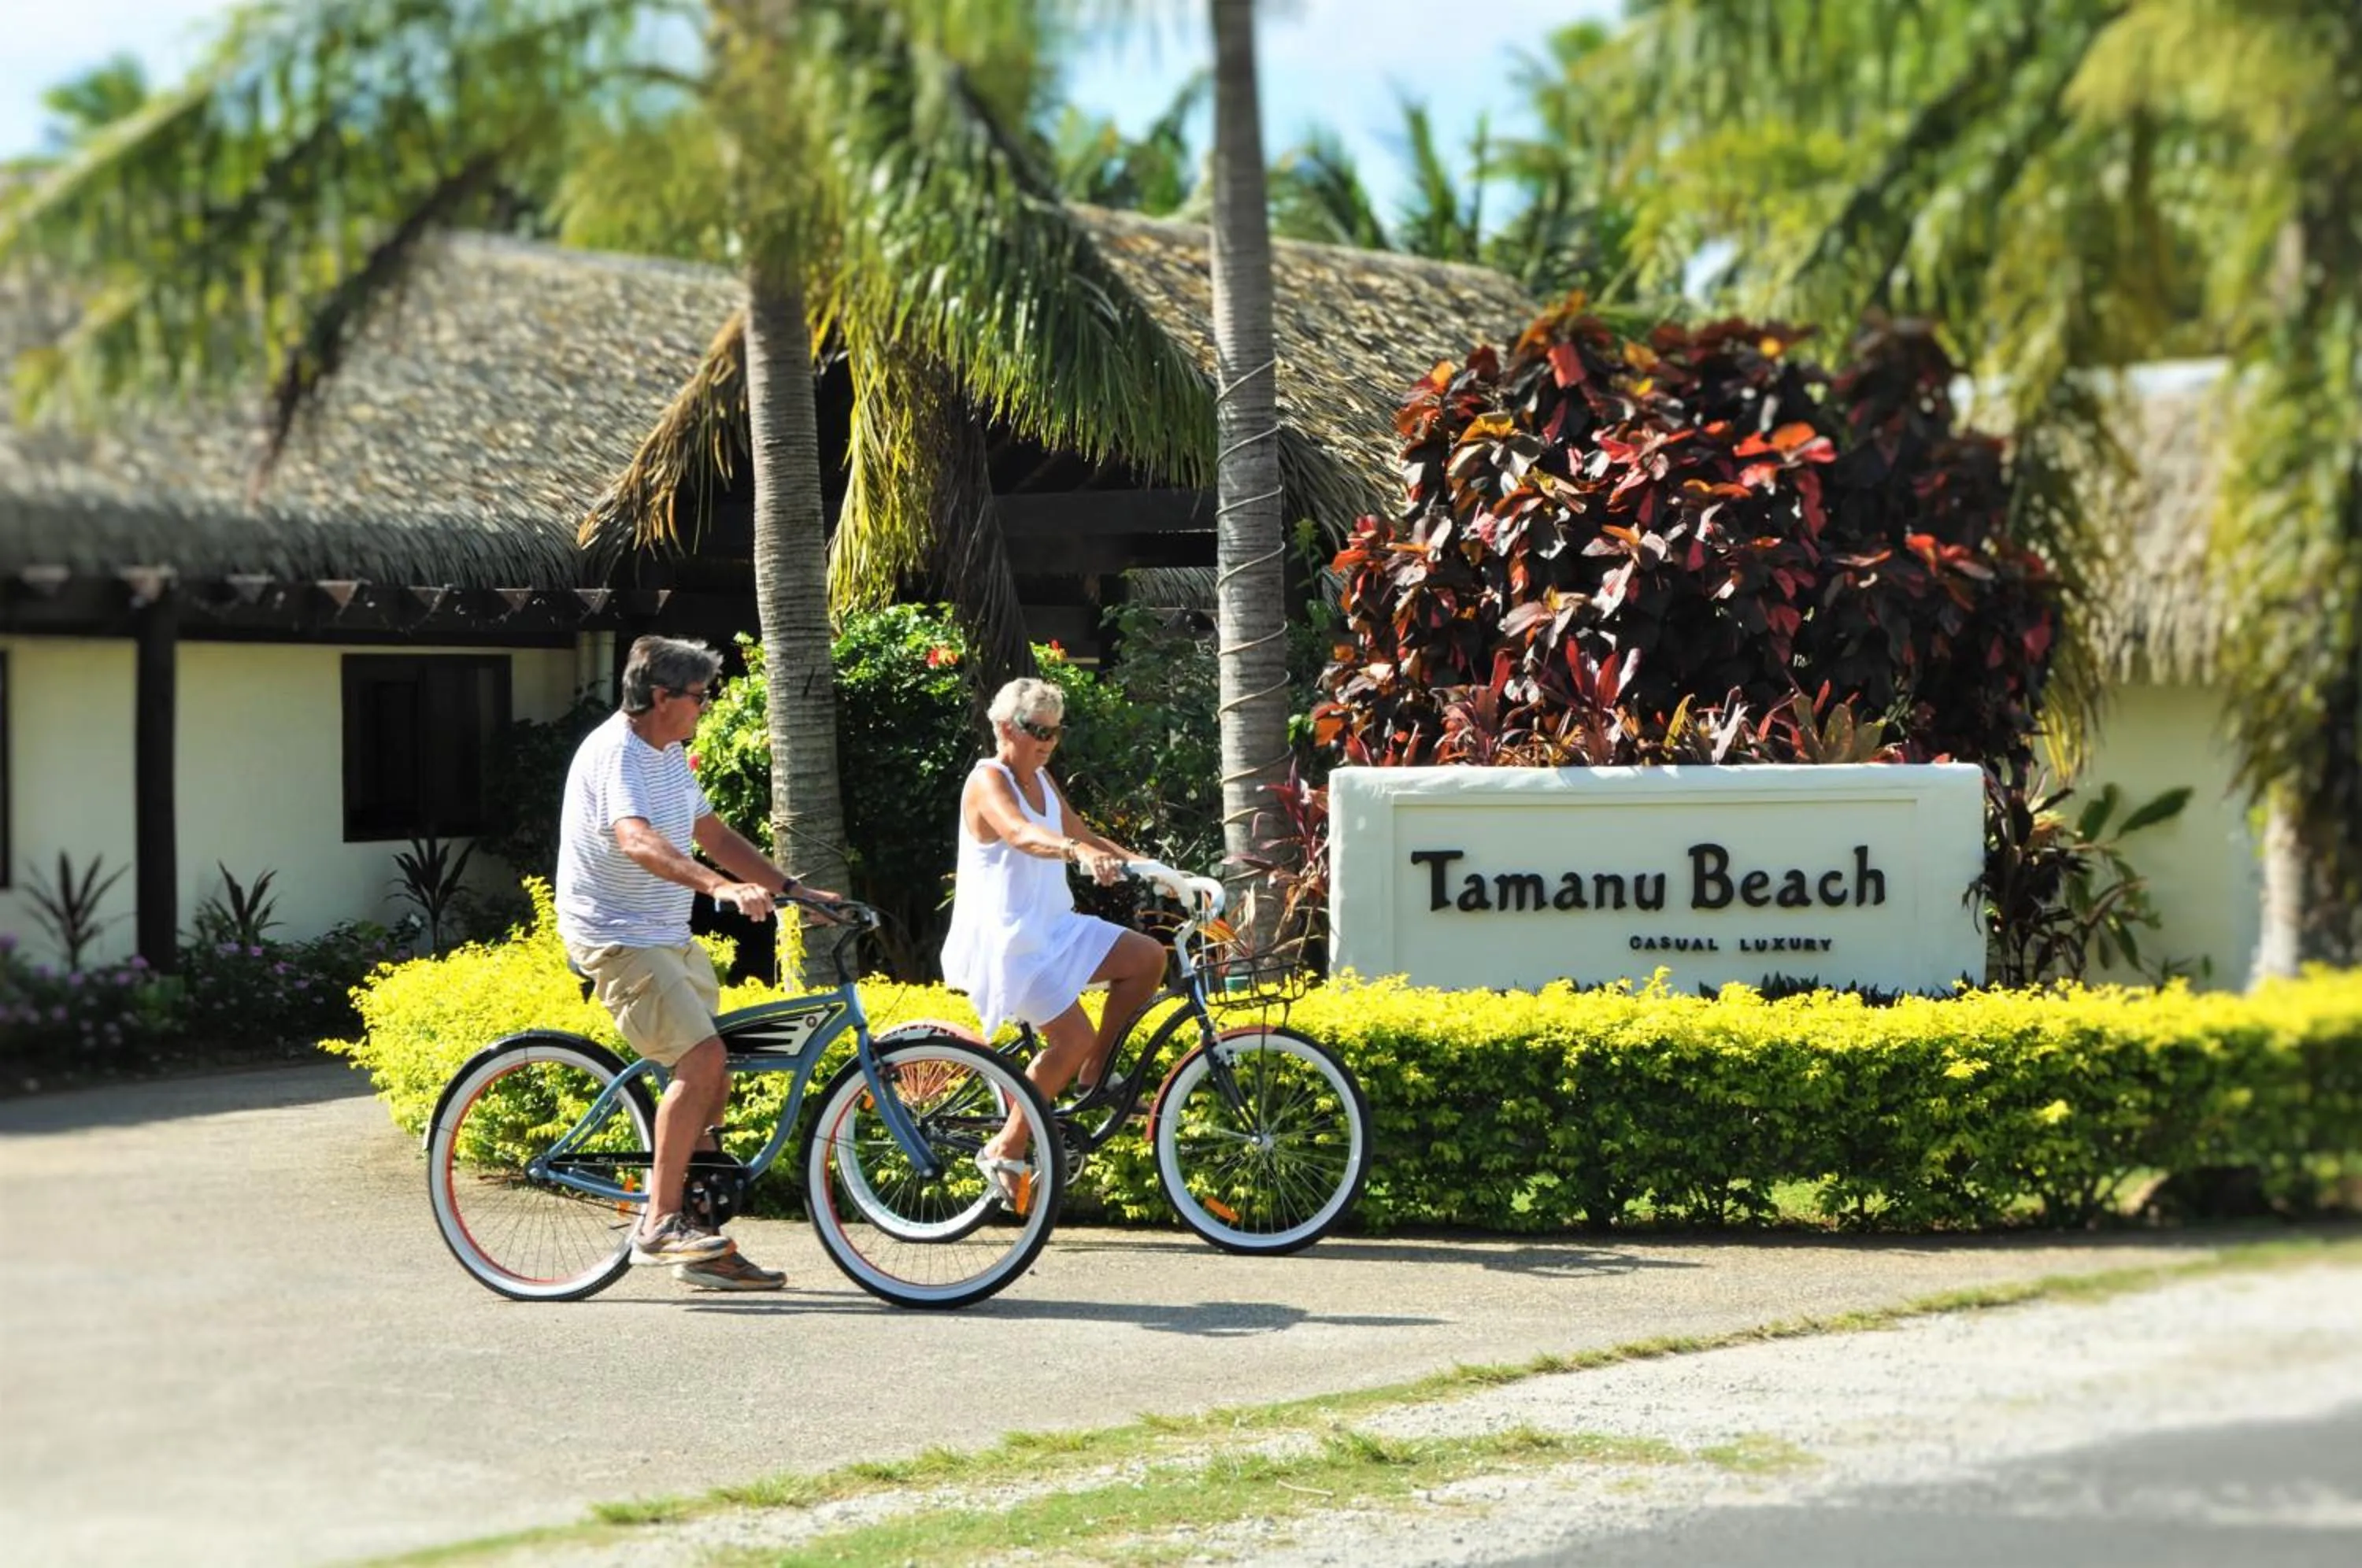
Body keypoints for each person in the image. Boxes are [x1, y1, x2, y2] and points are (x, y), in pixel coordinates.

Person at [557, 634, 845, 1291]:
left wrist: (793, 891)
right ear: (662, 698)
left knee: (717, 1073)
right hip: (616, 935)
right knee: (701, 1060)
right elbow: (636, 839)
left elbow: (711, 834)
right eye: (699, 696)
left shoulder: (669, 753)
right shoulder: (616, 753)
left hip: (664, 934)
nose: (705, 707)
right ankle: (659, 1224)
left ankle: (702, 1235)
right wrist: (717, 888)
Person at [942, 677, 1166, 1209]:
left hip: (1054, 928)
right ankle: (1006, 1145)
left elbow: (1083, 834)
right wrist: (1074, 851)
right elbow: (1021, 833)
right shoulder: (988, 780)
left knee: (1147, 958)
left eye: (1054, 732)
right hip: (1011, 942)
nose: (1045, 741)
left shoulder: (1041, 778)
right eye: (1034, 729)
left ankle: (1093, 1073)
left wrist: (1158, 871)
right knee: (1071, 1036)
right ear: (1003, 727)